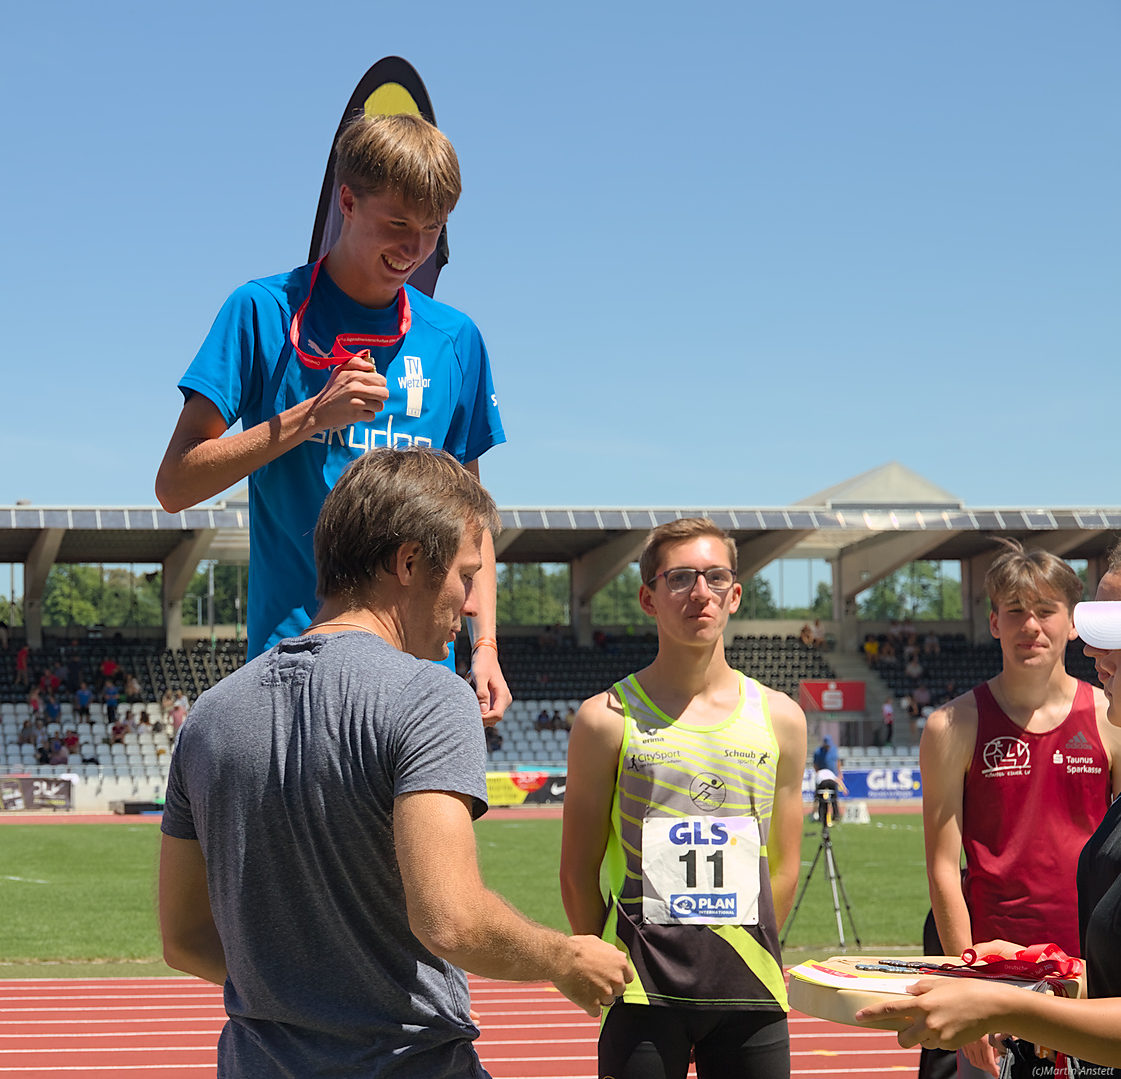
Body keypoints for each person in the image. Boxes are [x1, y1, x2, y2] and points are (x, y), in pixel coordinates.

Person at [159, 448, 629, 1078]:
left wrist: (304, 991)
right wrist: (565, 958)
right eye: (466, 576)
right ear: (409, 562)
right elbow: (452, 920)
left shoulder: (210, 716)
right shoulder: (428, 695)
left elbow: (184, 938)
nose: (469, 605)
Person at [155, 111, 510, 725]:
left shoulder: (457, 338)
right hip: (296, 660)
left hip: (423, 672)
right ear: (346, 200)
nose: (414, 249)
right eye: (396, 224)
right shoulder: (262, 310)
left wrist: (485, 645)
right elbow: (175, 484)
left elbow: (470, 516)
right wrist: (310, 417)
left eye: (433, 228)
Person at [559, 516, 807, 1079]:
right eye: (680, 579)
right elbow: (578, 870)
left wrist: (740, 944)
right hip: (643, 992)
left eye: (715, 578)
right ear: (648, 598)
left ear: (735, 595)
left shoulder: (782, 720)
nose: (700, 593)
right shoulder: (604, 720)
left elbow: (784, 867)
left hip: (750, 987)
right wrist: (597, 956)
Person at [857, 555, 1121, 1071]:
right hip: (985, 968)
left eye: (1045, 610)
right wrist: (967, 978)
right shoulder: (952, 725)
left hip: (1085, 973)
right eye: (1015, 610)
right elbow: (941, 867)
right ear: (993, 622)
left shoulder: (1109, 719)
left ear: (1072, 621)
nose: (1030, 625)